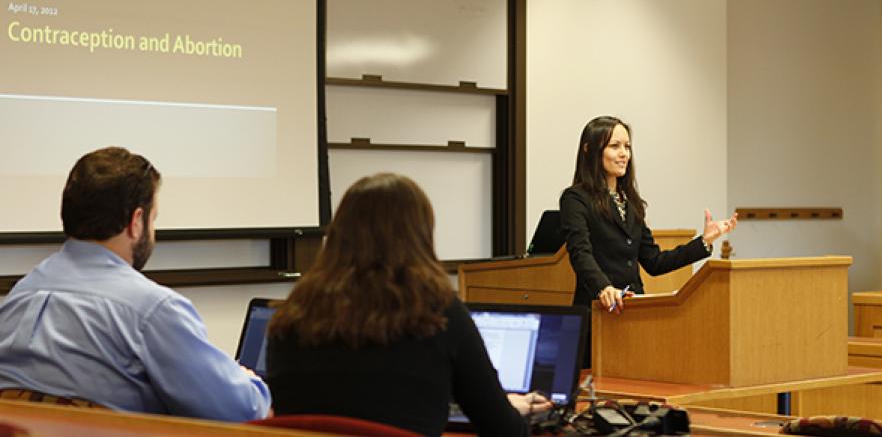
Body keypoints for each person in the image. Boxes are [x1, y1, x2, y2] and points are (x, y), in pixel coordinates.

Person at [266, 173, 551, 436]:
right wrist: (509, 410)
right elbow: (503, 430)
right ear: (420, 235)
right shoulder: (438, 312)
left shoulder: (293, 315)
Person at [0, 147, 271, 421]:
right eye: (154, 219)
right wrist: (249, 384)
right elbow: (241, 412)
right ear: (136, 222)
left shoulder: (20, 295)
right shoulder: (152, 310)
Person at [560, 116, 737, 316]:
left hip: (634, 309)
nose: (623, 154)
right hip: (598, 310)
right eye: (614, 146)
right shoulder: (575, 198)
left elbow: (654, 261)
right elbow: (580, 253)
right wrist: (604, 288)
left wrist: (704, 241)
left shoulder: (630, 202)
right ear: (589, 150)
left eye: (627, 147)